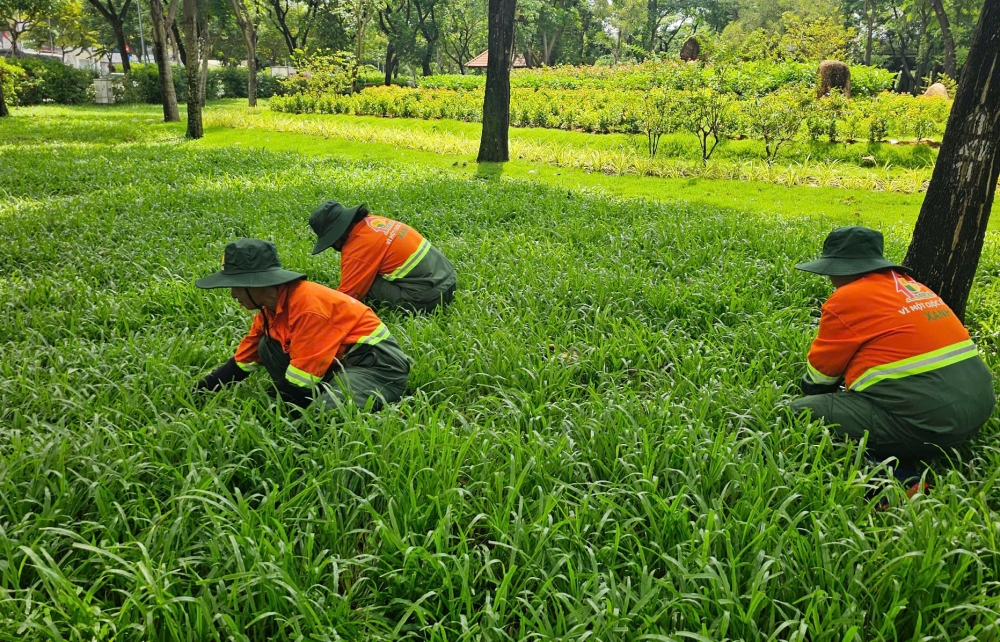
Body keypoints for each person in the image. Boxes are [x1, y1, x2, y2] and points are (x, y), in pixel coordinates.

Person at [791, 226, 995, 491]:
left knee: (802, 411)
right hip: (979, 411)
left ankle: (899, 480)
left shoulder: (845, 299)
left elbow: (819, 380)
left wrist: (818, 396)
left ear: (840, 269)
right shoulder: (916, 289)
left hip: (931, 426)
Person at [194, 238, 410, 411]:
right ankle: (314, 394)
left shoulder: (307, 308)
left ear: (256, 283)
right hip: (338, 363)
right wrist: (200, 390)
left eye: (236, 287)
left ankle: (351, 393)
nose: (233, 295)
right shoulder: (269, 311)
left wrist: (264, 411)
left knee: (326, 414)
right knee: (265, 346)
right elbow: (242, 362)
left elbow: (301, 380)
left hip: (375, 366)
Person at [308, 200, 458, 313]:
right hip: (451, 280)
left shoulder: (357, 248)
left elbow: (345, 299)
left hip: (430, 299)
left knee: (367, 283)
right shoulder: (373, 222)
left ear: (336, 236)